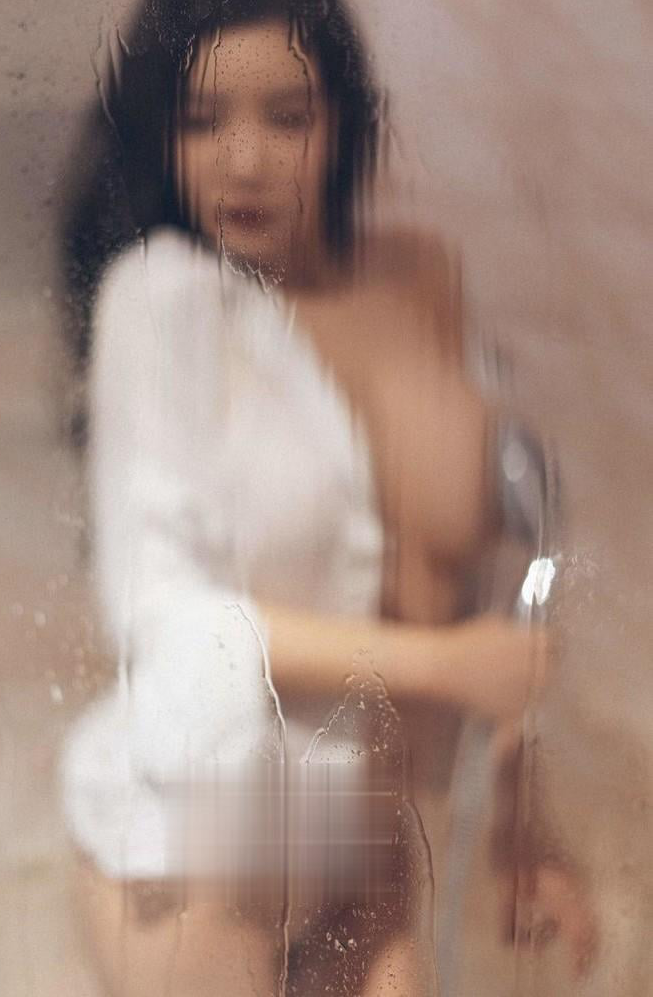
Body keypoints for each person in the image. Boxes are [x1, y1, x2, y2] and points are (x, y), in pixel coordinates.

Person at [60, 2, 591, 994]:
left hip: (365, 841)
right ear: (161, 137)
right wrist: (442, 666)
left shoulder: (414, 278)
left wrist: (523, 816)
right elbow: (158, 612)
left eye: (287, 117)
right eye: (203, 121)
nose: (246, 161)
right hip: (204, 845)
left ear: (343, 120)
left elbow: (495, 574)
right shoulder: (161, 297)